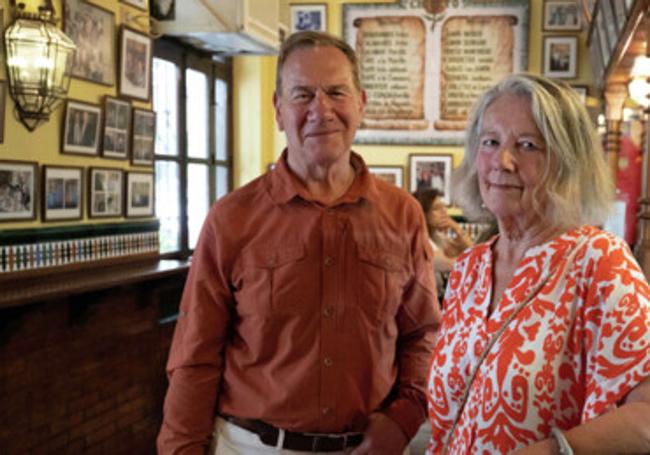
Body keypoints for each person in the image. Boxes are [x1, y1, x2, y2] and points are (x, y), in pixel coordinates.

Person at [158, 31, 441, 454]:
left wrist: (403, 420)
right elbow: (195, 356)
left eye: (336, 92)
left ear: (360, 103)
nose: (320, 110)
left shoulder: (402, 215)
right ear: (278, 110)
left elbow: (422, 333)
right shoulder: (230, 218)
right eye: (302, 94)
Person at [426, 73, 650, 454]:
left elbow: (645, 420)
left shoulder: (598, 261)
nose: (503, 160)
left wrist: (553, 450)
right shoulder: (470, 268)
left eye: (528, 145)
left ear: (567, 162)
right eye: (490, 142)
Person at [412, 188, 472, 300]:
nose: (444, 212)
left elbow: (474, 255)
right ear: (422, 213)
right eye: (437, 208)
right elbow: (453, 264)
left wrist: (456, 228)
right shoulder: (416, 241)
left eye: (444, 207)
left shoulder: (438, 238)